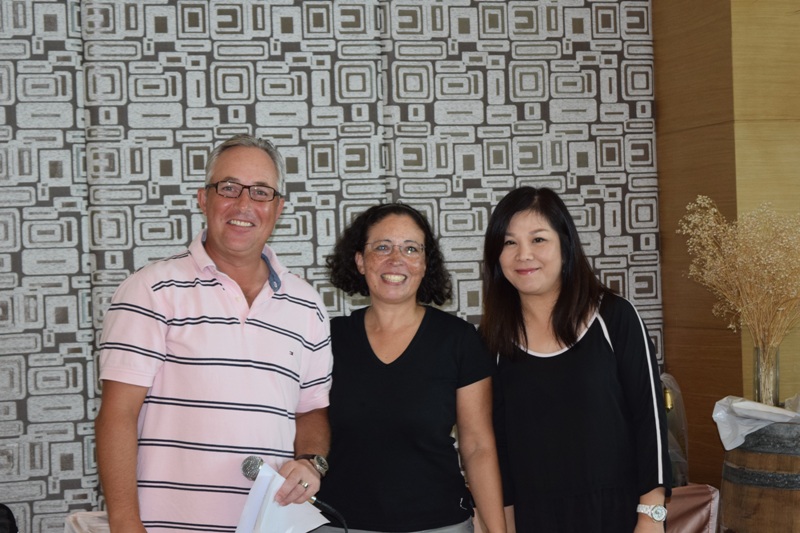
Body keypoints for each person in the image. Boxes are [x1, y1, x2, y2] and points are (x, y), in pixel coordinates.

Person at [94, 134, 333, 532]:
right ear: (203, 199)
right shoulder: (151, 290)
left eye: (260, 192)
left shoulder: (307, 305)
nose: (244, 205)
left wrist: (310, 462)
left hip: (270, 525)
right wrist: (125, 523)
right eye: (228, 188)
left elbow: (311, 410)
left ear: (278, 208)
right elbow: (117, 415)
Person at [480, 187, 672, 533]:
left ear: (565, 246)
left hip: (618, 515)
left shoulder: (614, 317)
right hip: (533, 518)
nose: (524, 255)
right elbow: (497, 448)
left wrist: (651, 516)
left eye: (538, 239)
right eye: (509, 242)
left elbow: (650, 422)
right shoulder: (492, 339)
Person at [314, 203, 506, 533]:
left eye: (411, 248)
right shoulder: (328, 339)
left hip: (440, 523)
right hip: (339, 523)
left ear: (425, 263)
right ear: (360, 260)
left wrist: (498, 530)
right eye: (382, 247)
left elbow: (478, 448)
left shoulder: (459, 340)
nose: (396, 259)